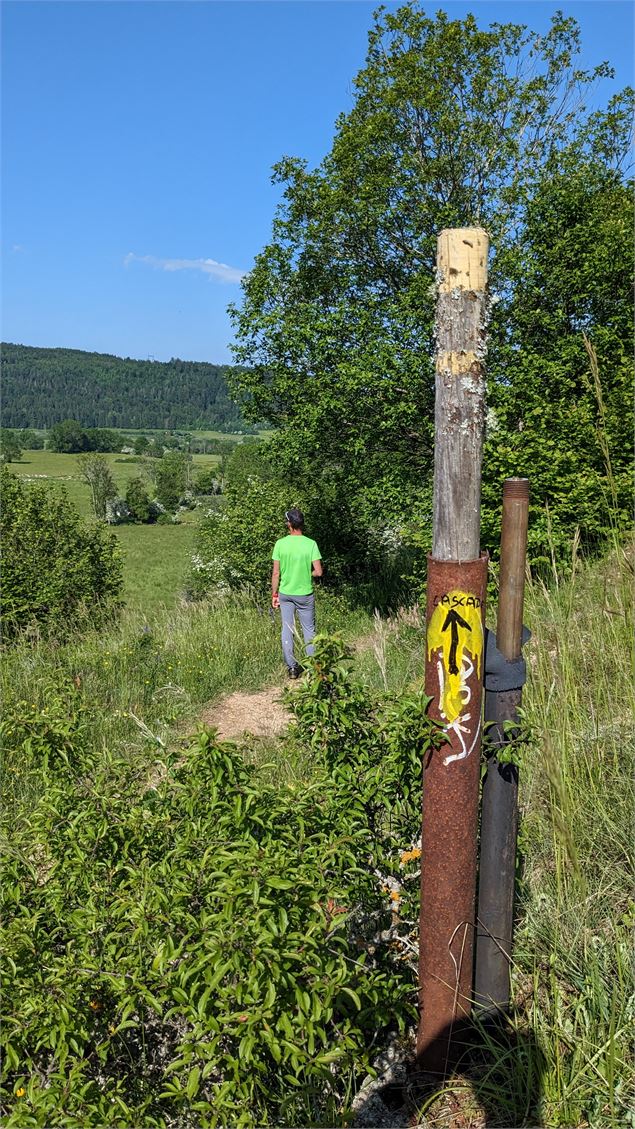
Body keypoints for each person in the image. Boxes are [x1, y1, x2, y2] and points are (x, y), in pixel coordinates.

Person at [271, 508, 322, 678]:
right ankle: (313, 669)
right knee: (309, 630)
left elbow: (276, 573)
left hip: (285, 593)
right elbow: (318, 572)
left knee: (287, 628)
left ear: (289, 524)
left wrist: (274, 594)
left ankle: (292, 668)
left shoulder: (280, 544)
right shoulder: (311, 543)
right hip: (305, 594)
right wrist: (308, 574)